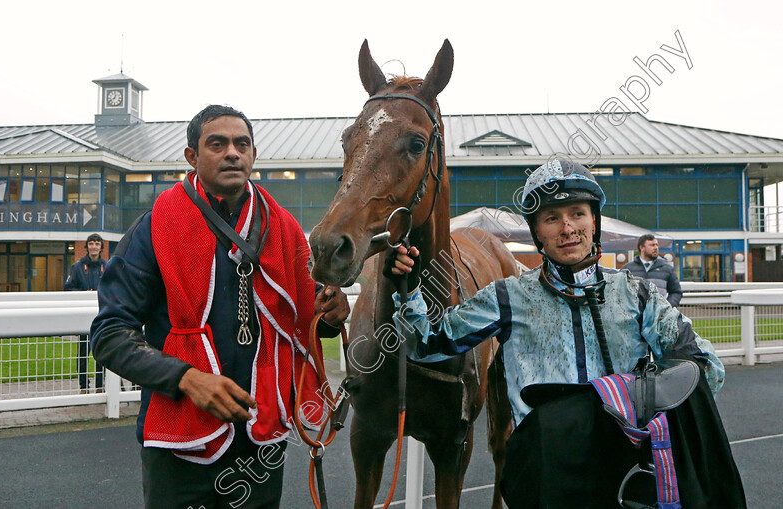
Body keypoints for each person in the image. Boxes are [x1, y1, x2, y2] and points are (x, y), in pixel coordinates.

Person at [386, 159, 745, 508]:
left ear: (594, 221)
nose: (567, 228)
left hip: (624, 467)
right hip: (546, 469)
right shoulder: (508, 296)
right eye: (551, 218)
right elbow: (427, 343)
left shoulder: (637, 294)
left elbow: (705, 368)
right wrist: (408, 289)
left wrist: (636, 401)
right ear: (537, 231)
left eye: (577, 213)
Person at [90, 105, 349, 509]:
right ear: (192, 156)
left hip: (262, 436)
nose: (232, 152)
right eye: (217, 144)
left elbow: (306, 316)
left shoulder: (283, 228)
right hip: (180, 445)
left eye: (241, 144)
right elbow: (109, 335)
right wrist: (187, 379)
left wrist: (330, 315)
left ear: (253, 154)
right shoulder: (154, 227)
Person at [65, 233, 106, 392]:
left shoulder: (107, 266)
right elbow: (68, 288)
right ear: (87, 246)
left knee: (101, 352)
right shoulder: (77, 267)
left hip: (101, 316)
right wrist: (84, 292)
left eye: (97, 244)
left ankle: (100, 385)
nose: (94, 247)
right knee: (83, 353)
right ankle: (83, 385)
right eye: (91, 243)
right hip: (83, 317)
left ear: (101, 247)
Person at [625, 233, 683, 306]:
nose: (656, 248)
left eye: (657, 245)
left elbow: (676, 292)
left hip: (659, 314)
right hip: (635, 315)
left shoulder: (667, 269)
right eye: (652, 245)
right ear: (642, 248)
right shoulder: (628, 269)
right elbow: (620, 292)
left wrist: (667, 307)